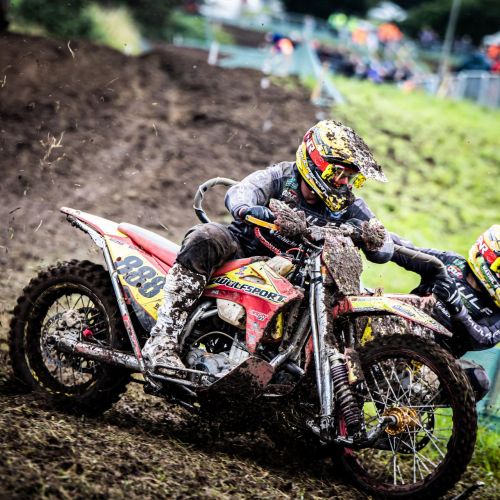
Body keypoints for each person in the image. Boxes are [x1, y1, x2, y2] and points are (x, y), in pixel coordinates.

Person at [142, 120, 394, 374]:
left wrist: (374, 240)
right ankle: (163, 340)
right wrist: (247, 208)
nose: (344, 182)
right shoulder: (281, 177)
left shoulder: (350, 205)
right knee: (207, 237)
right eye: (337, 173)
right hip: (246, 251)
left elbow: (385, 241)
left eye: (351, 177)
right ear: (314, 162)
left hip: (300, 274)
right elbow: (243, 190)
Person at [391, 226, 500, 399]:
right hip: (393, 326)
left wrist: (457, 307)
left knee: (478, 380)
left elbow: (482, 339)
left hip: (430, 362)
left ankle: (413, 403)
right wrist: (374, 234)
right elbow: (408, 251)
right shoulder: (451, 262)